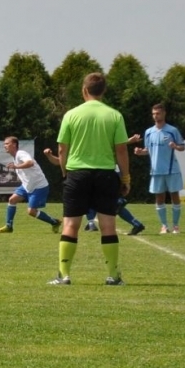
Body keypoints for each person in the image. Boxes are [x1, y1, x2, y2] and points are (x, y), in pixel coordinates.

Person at [49, 72, 131, 286]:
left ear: (84, 90)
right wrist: (125, 177)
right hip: (105, 174)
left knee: (70, 225)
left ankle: (63, 275)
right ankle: (113, 276)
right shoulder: (114, 115)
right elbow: (121, 150)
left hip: (77, 174)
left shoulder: (71, 114)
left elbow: (61, 147)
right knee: (108, 226)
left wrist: (65, 171)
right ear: (103, 91)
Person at [41, 146, 144, 235]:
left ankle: (92, 223)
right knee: (109, 204)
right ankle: (135, 223)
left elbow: (121, 146)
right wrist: (49, 156)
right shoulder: (80, 148)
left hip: (107, 173)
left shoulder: (91, 144)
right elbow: (60, 160)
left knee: (97, 200)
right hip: (106, 173)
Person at [133, 103, 185, 234]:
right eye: (154, 114)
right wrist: (140, 152)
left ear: (164, 114)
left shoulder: (172, 130)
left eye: (158, 113)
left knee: (175, 196)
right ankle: (164, 226)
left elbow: (182, 146)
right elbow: (148, 150)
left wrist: (175, 146)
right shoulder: (149, 132)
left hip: (171, 169)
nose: (156, 116)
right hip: (156, 171)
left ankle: (176, 226)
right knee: (159, 198)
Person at [0, 136, 60, 233]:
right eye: (4, 144)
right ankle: (9, 226)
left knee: (31, 211)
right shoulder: (15, 157)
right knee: (12, 200)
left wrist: (16, 166)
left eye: (7, 144)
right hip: (27, 186)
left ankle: (54, 222)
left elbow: (30, 163)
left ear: (14, 145)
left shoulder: (21, 153)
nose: (5, 146)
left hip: (39, 186)